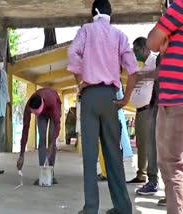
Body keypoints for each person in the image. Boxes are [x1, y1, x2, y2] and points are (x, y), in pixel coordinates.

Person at [67, 0, 139, 213]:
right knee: (113, 155)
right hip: (110, 98)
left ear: (93, 13)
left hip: (89, 97)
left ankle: (91, 209)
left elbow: (72, 54)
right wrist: (125, 99)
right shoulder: (119, 35)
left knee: (90, 158)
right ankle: (123, 207)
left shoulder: (86, 31)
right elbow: (133, 71)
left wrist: (81, 81)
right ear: (110, 13)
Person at [147, 1, 183, 209]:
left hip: (176, 99)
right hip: (170, 101)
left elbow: (152, 42)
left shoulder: (179, 6)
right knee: (171, 165)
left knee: (172, 167)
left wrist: (161, 43)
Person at [127, 38, 158, 194]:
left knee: (149, 145)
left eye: (136, 49)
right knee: (141, 144)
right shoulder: (145, 65)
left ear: (145, 49)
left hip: (149, 110)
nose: (134, 52)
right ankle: (141, 174)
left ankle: (152, 179)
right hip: (140, 110)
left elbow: (158, 75)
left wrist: (142, 76)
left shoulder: (154, 61)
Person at [16, 88, 61, 185]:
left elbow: (57, 125)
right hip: (43, 112)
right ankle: (43, 174)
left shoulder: (52, 102)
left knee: (51, 139)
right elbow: (25, 128)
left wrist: (52, 143)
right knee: (42, 139)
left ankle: (51, 174)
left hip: (53, 108)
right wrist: (21, 154)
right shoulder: (29, 105)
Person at [98, 85, 133, 181]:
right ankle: (106, 172)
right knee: (104, 146)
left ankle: (112, 173)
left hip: (113, 118)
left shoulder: (115, 83)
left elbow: (121, 101)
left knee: (113, 147)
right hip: (106, 118)